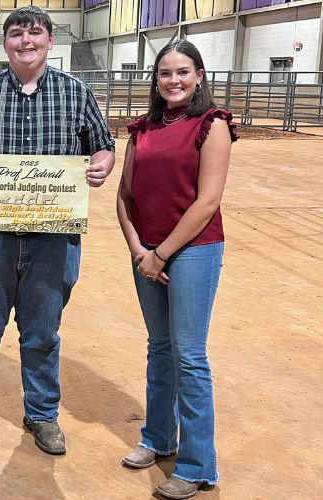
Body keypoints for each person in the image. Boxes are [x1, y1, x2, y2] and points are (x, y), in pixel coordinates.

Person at [0, 6, 115, 455]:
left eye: (35, 33)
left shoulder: (77, 93)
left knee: (42, 332)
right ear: (5, 43)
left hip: (52, 238)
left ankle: (42, 415)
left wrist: (101, 166)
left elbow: (104, 147)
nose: (26, 41)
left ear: (50, 41)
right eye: (17, 34)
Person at [116, 40, 236, 499]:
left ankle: (197, 464)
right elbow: (124, 197)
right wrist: (137, 249)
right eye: (165, 73)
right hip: (145, 251)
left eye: (183, 72)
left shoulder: (213, 125)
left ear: (200, 76)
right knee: (159, 348)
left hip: (192, 251)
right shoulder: (141, 129)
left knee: (189, 356)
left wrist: (161, 254)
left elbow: (207, 202)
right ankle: (158, 437)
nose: (174, 81)